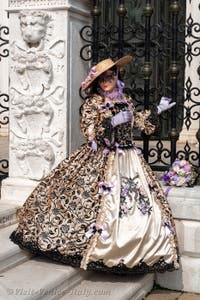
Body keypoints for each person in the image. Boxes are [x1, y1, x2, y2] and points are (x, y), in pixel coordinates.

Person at [10, 55, 179, 274]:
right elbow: (88, 130)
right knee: (89, 205)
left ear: (117, 76)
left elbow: (138, 122)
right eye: (102, 78)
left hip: (129, 160)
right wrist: (109, 123)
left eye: (110, 76)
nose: (106, 81)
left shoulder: (124, 99)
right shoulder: (93, 103)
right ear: (96, 82)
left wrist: (157, 110)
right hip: (102, 158)